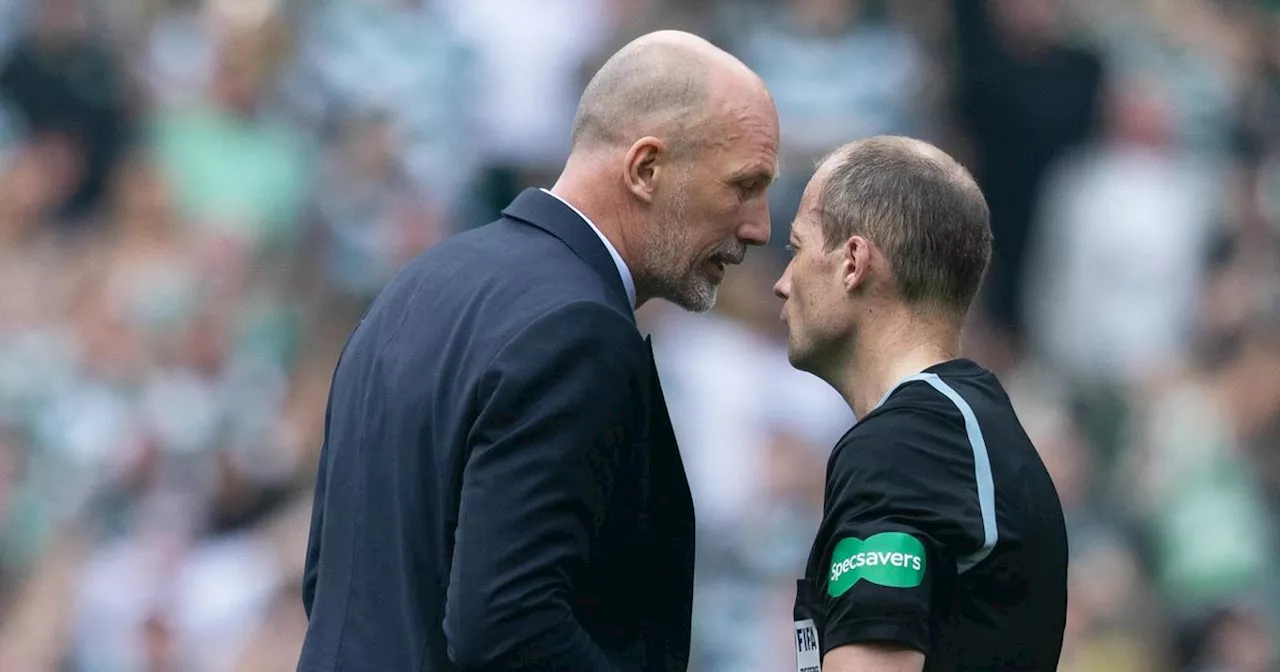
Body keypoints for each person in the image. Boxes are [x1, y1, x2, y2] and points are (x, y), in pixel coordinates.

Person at [296, 30, 779, 672]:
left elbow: (330, 583)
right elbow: (507, 626)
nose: (759, 226)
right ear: (646, 169)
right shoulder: (578, 331)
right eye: (744, 186)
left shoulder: (414, 286)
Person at [774, 136, 1067, 671]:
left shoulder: (909, 443)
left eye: (796, 249)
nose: (781, 282)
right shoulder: (959, 426)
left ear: (853, 263)